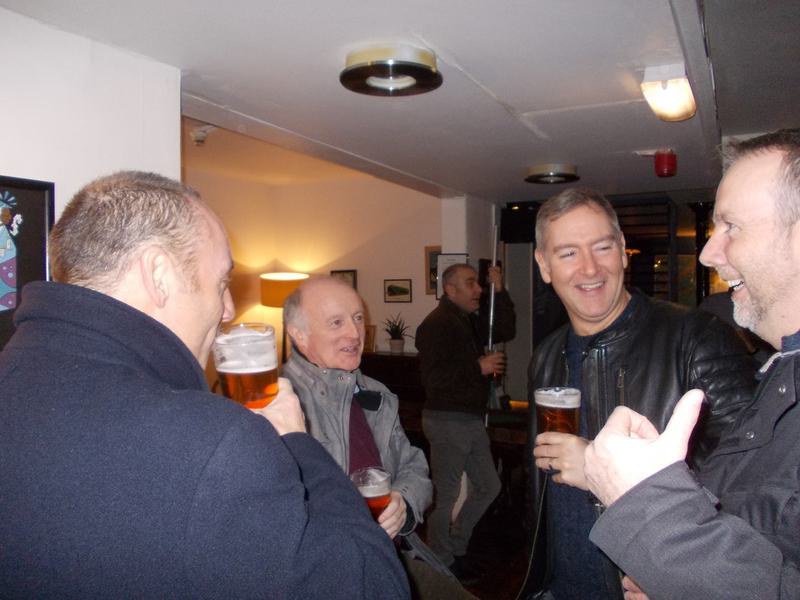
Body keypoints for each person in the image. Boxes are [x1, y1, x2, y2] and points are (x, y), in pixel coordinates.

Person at [0, 171, 409, 599]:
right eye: (222, 283)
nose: (228, 309)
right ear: (158, 274)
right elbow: (375, 587)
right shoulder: (218, 442)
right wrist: (297, 445)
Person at [584, 128, 800, 599]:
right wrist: (673, 576)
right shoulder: (782, 369)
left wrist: (650, 508)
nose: (707, 253)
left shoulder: (698, 333)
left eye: (731, 226)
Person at [521, 188, 757, 600]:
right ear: (544, 265)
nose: (590, 268)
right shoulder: (544, 357)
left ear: (623, 252)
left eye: (602, 247)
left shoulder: (696, 339)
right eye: (568, 253)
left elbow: (754, 485)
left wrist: (680, 575)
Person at [282, 276, 477, 599]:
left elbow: (414, 465)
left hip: (395, 556)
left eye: (358, 318)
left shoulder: (377, 393)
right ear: (299, 334)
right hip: (329, 575)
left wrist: (404, 501)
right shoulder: (277, 404)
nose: (355, 333)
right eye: (336, 322)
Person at [415, 263, 516, 583]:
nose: (478, 290)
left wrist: (500, 291)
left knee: (489, 486)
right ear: (450, 290)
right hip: (447, 420)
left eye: (478, 284)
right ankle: (440, 562)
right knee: (445, 497)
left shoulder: (465, 320)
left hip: (468, 418)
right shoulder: (436, 325)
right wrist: (478, 367)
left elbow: (504, 330)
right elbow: (434, 380)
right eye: (471, 284)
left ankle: (457, 547)